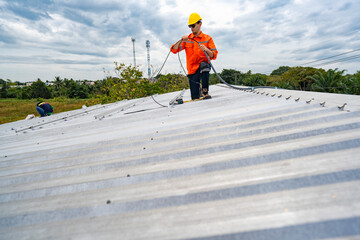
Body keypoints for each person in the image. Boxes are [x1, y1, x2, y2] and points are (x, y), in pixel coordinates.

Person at [171, 13, 218, 100]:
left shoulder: (207, 38)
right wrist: (181, 41)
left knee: (205, 65)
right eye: (190, 26)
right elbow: (174, 49)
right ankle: (198, 89)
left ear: (200, 24)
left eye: (193, 25)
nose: (191, 28)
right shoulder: (187, 39)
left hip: (203, 68)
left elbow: (214, 55)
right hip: (192, 70)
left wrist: (206, 50)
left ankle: (205, 91)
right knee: (195, 97)